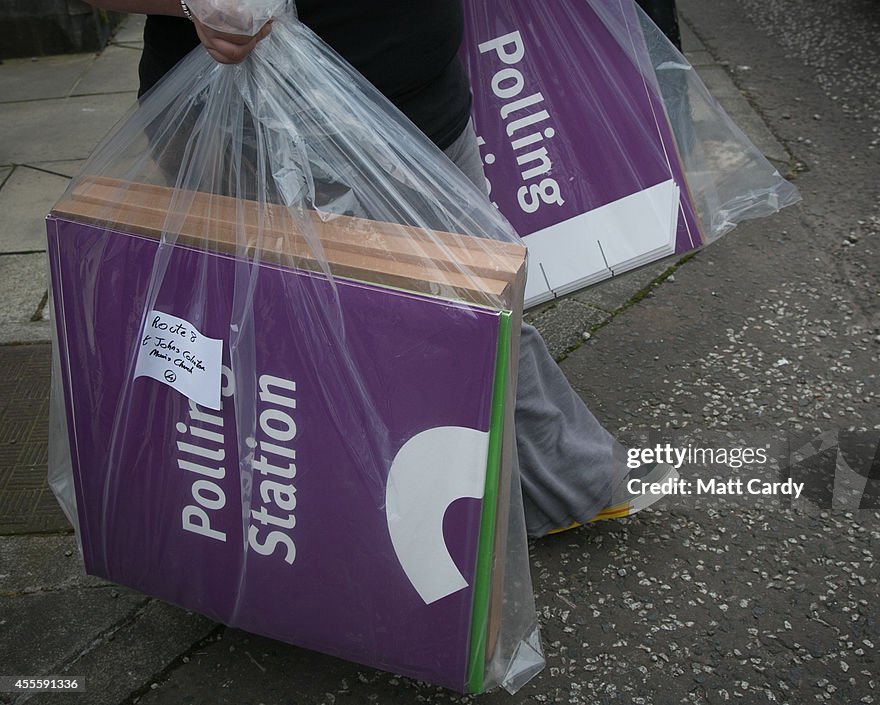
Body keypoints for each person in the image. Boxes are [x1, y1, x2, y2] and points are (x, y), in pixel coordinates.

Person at [84, 0, 676, 536]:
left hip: (421, 112)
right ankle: (292, 524)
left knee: (459, 314)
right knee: (276, 334)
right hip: (246, 124)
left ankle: (547, 488)